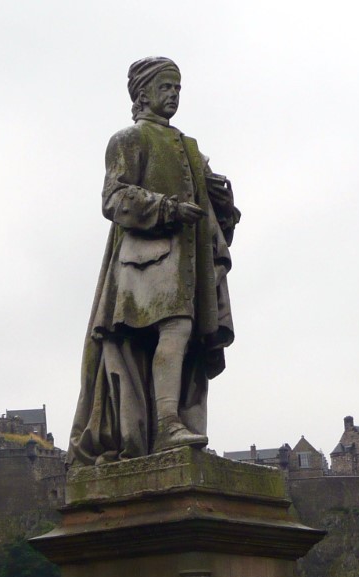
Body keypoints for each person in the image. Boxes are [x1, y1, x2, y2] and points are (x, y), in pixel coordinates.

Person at [68, 56, 239, 465]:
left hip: (187, 265)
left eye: (178, 88)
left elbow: (218, 215)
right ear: (143, 94)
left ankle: (175, 423)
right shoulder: (128, 139)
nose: (174, 94)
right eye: (166, 87)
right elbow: (114, 197)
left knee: (189, 339)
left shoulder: (190, 148)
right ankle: (166, 423)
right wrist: (166, 208)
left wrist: (222, 199)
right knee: (176, 329)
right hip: (143, 264)